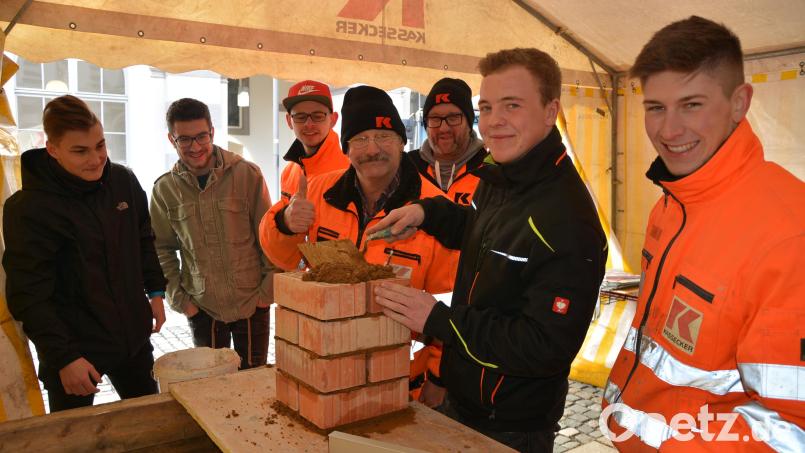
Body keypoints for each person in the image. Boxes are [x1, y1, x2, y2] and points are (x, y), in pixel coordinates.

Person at [368, 48, 608, 453]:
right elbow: (480, 230)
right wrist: (426, 212)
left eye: (512, 106)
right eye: (487, 107)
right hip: (462, 399)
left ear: (551, 111)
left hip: (512, 425)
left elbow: (544, 347)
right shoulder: (500, 177)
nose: (494, 121)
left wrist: (438, 319)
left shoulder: (568, 218)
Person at [601, 16, 805, 451]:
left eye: (691, 104)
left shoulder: (790, 236)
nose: (668, 131)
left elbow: (791, 428)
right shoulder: (671, 204)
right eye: (655, 107)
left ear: (739, 102)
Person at [3, 95, 167, 412]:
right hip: (75, 350)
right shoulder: (28, 209)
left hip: (132, 338)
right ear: (52, 149)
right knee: (73, 438)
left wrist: (155, 290)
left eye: (100, 146)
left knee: (151, 425)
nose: (96, 159)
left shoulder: (123, 182)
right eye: (80, 151)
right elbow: (28, 294)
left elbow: (143, 238)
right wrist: (63, 356)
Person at [150, 98, 274, 369]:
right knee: (212, 385)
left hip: (252, 303)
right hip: (203, 307)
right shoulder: (165, 190)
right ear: (172, 139)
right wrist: (182, 302)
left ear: (212, 133)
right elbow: (162, 250)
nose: (195, 147)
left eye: (201, 137)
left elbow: (269, 239)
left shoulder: (247, 175)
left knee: (254, 382)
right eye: (185, 139)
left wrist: (266, 294)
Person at [408, 77, 486, 207]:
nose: (444, 128)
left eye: (453, 117)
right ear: (426, 125)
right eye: (435, 118)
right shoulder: (407, 167)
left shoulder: (489, 170)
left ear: (469, 123)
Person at [279, 80, 349, 202]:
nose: (309, 124)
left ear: (333, 120)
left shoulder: (351, 171)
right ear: (289, 121)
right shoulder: (288, 172)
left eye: (318, 116)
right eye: (300, 117)